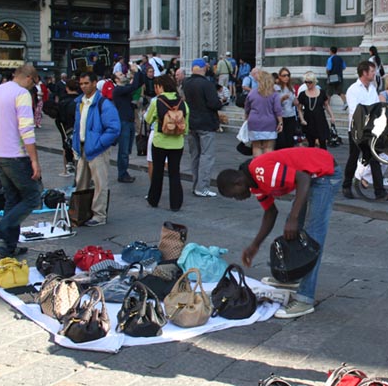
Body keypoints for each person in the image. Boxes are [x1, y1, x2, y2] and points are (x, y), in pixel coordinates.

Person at [216, 147, 342, 318]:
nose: (237, 199)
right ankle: (294, 276)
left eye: (234, 195)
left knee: (313, 238)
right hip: (312, 176)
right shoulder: (255, 184)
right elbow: (270, 213)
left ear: (238, 182)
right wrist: (255, 245)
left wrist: (294, 218)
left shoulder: (260, 170)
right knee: (294, 229)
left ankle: (305, 299)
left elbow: (303, 178)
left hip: (325, 174)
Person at [0, 63, 41, 258]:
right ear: (29, 78)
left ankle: (8, 246)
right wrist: (34, 160)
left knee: (12, 198)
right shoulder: (21, 94)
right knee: (33, 197)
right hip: (15, 154)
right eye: (35, 83)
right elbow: (26, 130)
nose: (34, 87)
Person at [72, 72, 121, 227]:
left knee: (100, 183)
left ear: (94, 83)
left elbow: (114, 129)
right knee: (81, 182)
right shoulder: (80, 102)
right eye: (81, 84)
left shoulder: (104, 103)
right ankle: (81, 212)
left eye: (86, 83)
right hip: (83, 146)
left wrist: (99, 144)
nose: (83, 86)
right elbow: (78, 125)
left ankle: (99, 215)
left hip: (96, 148)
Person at [342, 60, 388, 200]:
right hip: (357, 129)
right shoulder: (353, 89)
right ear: (364, 73)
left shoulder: (372, 88)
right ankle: (346, 185)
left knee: (374, 158)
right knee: (354, 156)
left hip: (371, 130)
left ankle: (379, 191)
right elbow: (355, 110)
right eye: (372, 71)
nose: (374, 74)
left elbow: (376, 106)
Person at [146, 75, 189, 211]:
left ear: (160, 86)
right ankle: (175, 204)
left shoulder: (157, 101)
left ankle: (153, 199)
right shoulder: (182, 102)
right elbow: (186, 127)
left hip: (160, 141)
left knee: (158, 171)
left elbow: (148, 119)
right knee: (174, 173)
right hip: (177, 143)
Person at [183, 58, 221, 198]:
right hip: (206, 124)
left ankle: (196, 186)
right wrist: (220, 102)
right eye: (205, 66)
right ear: (200, 67)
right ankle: (202, 187)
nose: (207, 68)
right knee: (207, 155)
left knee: (195, 155)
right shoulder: (206, 84)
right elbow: (213, 103)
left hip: (191, 123)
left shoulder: (186, 83)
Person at [112, 61, 144, 183]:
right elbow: (134, 86)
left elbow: (138, 83)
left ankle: (124, 171)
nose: (123, 75)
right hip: (123, 121)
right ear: (116, 80)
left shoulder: (124, 88)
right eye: (120, 75)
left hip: (129, 121)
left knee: (128, 149)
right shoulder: (118, 90)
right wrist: (135, 72)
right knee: (124, 150)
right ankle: (122, 173)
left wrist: (138, 72)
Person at [245, 69, 283, 156]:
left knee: (256, 146)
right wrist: (280, 122)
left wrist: (247, 117)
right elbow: (277, 109)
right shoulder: (274, 94)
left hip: (254, 122)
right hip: (269, 122)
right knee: (268, 147)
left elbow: (247, 107)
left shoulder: (252, 93)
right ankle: (266, 166)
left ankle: (257, 167)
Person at [297, 72, 335, 149]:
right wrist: (302, 119)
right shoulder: (302, 94)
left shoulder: (322, 93)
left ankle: (323, 159)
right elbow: (299, 109)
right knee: (311, 143)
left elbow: (327, 105)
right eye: (306, 82)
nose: (308, 84)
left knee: (322, 142)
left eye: (310, 82)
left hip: (320, 120)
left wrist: (332, 116)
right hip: (309, 121)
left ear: (314, 82)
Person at [56, 79, 80, 177]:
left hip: (65, 126)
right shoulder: (80, 99)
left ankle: (66, 168)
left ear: (67, 88)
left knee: (66, 146)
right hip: (77, 126)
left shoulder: (63, 100)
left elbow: (58, 116)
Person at [275, 68, 298, 150]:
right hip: (281, 116)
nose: (286, 77)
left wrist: (295, 102)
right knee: (281, 141)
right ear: (280, 77)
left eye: (288, 75)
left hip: (291, 115)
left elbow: (293, 100)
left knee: (290, 140)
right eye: (284, 75)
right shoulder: (277, 88)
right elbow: (274, 103)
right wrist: (282, 99)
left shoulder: (291, 88)